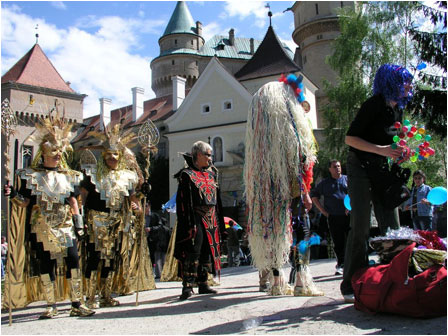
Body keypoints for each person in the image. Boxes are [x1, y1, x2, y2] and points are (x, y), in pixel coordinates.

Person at [3, 111, 94, 318]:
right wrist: (12, 195)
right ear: (44, 152)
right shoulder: (31, 177)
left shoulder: (68, 177)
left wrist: (79, 224)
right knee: (47, 264)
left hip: (65, 226)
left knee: (73, 260)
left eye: (59, 150)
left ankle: (76, 302)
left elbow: (73, 201)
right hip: (42, 226)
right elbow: (25, 202)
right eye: (53, 150)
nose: (58, 154)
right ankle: (51, 304)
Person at [341, 64, 413, 303]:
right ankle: (350, 281)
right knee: (360, 223)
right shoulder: (373, 105)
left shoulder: (398, 111)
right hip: (359, 166)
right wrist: (380, 149)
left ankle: (396, 276)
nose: (409, 86)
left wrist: (399, 152)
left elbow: (393, 141)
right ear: (391, 82)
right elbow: (350, 138)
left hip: (382, 170)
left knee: (392, 222)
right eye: (404, 81)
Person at [244, 76, 323, 296]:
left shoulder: (259, 144)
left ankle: (277, 282)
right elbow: (301, 162)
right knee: (301, 229)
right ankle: (301, 281)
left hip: (268, 193)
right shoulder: (293, 133)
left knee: (273, 232)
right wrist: (305, 192)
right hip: (293, 191)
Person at [79, 123, 147, 308]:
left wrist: (140, 198)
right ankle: (91, 295)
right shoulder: (92, 174)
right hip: (96, 219)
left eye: (115, 154)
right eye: (108, 154)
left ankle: (106, 294)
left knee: (111, 258)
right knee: (95, 257)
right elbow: (82, 198)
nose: (112, 157)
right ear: (103, 155)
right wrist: (80, 219)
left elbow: (133, 198)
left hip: (117, 221)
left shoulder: (126, 176)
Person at [174, 141, 226, 300]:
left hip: (211, 217)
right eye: (208, 155)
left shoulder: (212, 174)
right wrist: (188, 223)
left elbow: (218, 201)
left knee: (207, 251)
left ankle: (203, 283)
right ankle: (187, 286)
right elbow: (183, 202)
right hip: (195, 217)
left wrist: (220, 222)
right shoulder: (186, 175)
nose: (210, 158)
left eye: (211, 155)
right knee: (193, 251)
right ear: (198, 155)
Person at [310, 160, 350, 275]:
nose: (337, 168)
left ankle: (351, 263)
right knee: (338, 241)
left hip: (348, 215)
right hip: (333, 216)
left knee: (350, 239)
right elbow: (314, 195)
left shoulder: (347, 180)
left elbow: (354, 194)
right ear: (330, 169)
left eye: (338, 166)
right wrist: (323, 211)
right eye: (334, 166)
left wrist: (350, 207)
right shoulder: (325, 183)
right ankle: (341, 264)